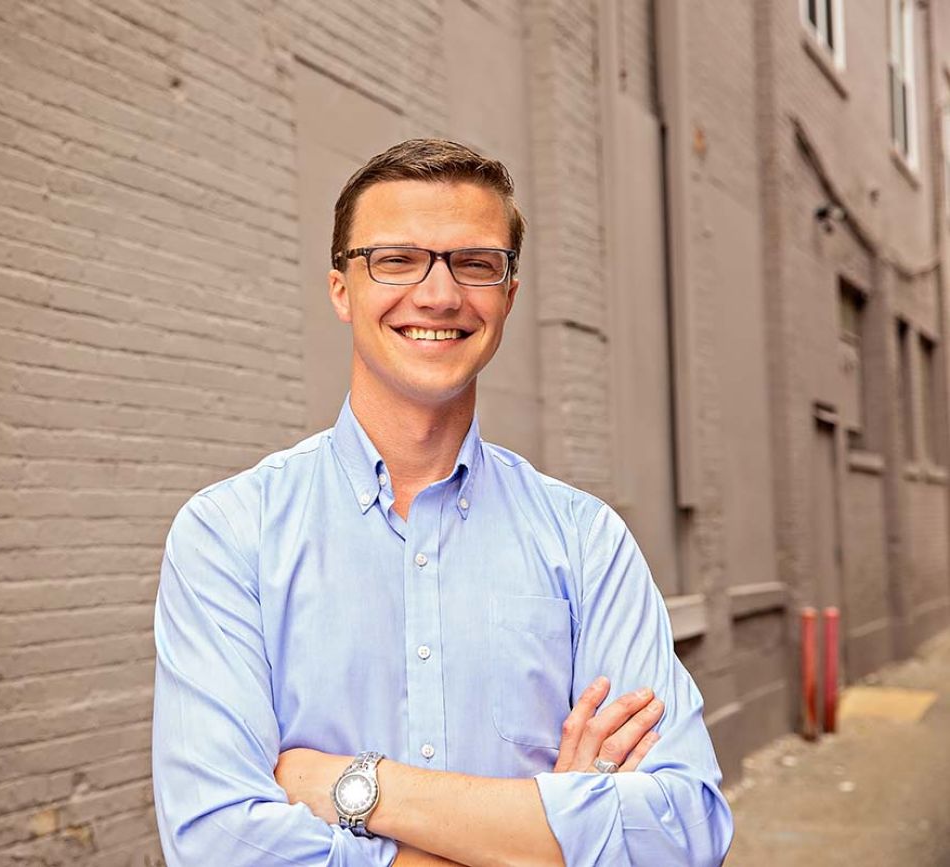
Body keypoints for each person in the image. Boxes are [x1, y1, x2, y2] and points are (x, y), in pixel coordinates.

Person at [151, 138, 733, 865]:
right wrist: (545, 833)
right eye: (396, 259)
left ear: (508, 294)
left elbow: (684, 832)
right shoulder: (230, 534)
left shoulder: (587, 542)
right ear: (341, 288)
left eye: (475, 263)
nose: (438, 294)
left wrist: (352, 785)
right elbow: (216, 842)